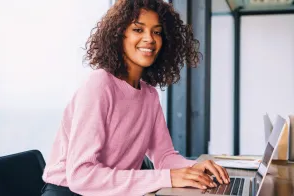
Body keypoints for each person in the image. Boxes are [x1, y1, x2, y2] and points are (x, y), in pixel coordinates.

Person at [41, 0, 230, 195]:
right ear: (119, 35)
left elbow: (164, 157)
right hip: (69, 192)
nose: (149, 38)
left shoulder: (149, 95)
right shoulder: (99, 84)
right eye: (138, 30)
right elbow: (81, 176)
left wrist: (195, 168)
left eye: (157, 32)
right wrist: (168, 177)